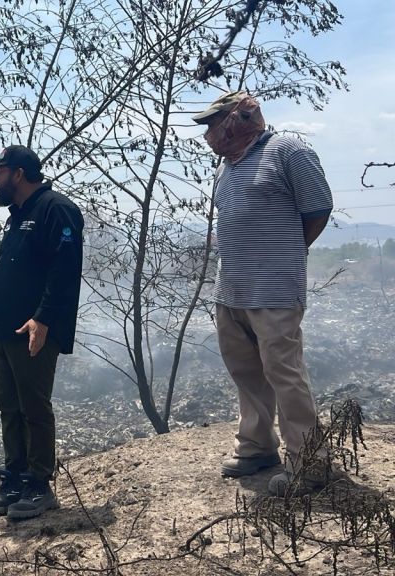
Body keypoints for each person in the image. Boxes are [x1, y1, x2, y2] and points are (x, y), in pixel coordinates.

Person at [193, 91, 333, 496]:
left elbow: (318, 208)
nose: (209, 133)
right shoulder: (227, 167)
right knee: (247, 373)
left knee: (283, 373)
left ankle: (309, 462)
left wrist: (286, 253)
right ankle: (256, 447)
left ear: (241, 118)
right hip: (231, 288)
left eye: (213, 123)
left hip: (274, 289)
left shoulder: (287, 150)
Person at [0, 145, 84, 519]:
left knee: (34, 408)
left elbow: (65, 274)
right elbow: (7, 272)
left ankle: (40, 486)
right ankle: (15, 479)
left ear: (18, 174)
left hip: (34, 331)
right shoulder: (18, 215)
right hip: (6, 329)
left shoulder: (57, 210)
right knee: (8, 405)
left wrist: (43, 319)